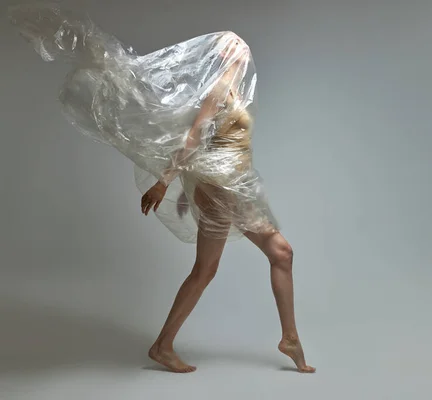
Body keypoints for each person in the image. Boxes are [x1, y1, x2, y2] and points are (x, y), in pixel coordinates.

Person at [9, 3, 314, 374]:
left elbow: (210, 148)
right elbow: (193, 138)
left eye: (240, 46)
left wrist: (189, 190)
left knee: (210, 269)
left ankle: (166, 345)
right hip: (224, 189)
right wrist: (165, 182)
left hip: (225, 186)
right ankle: (283, 337)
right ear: (221, 55)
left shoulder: (233, 89)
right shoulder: (220, 91)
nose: (241, 51)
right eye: (234, 47)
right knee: (276, 253)